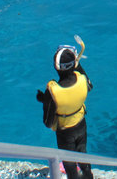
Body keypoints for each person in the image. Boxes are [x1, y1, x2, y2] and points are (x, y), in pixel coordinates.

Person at [37, 38, 94, 179]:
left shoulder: (52, 91)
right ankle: (88, 176)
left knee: (68, 161)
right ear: (74, 64)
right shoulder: (82, 80)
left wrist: (45, 101)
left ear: (56, 67)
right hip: (81, 124)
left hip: (65, 132)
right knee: (82, 152)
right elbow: (89, 85)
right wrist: (77, 65)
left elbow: (48, 122)